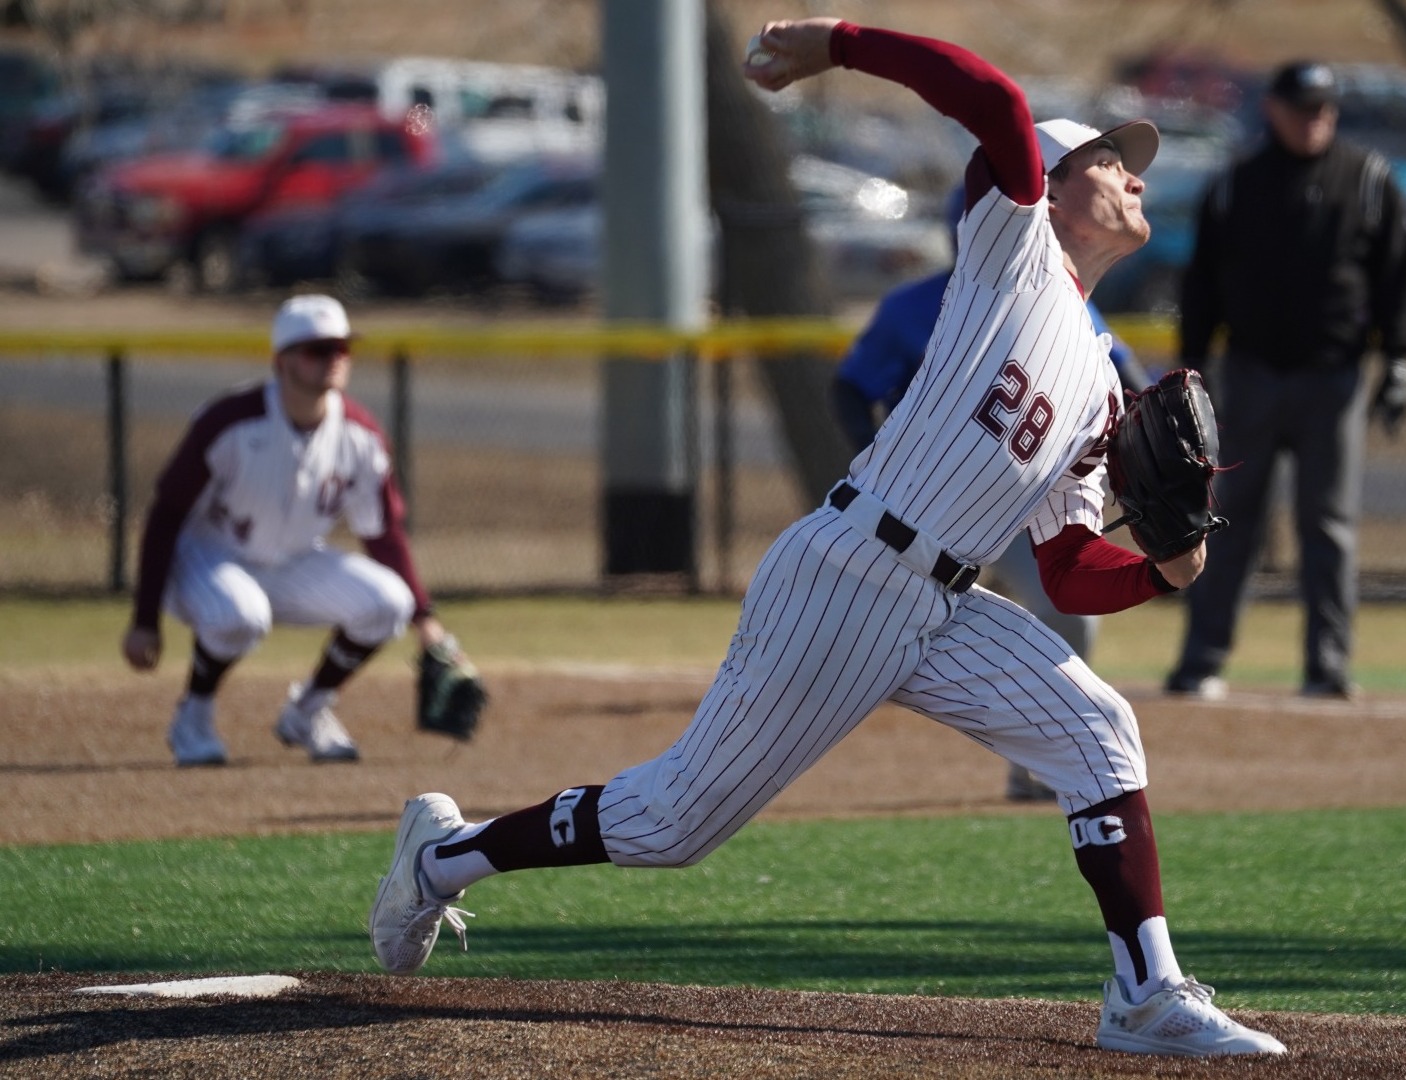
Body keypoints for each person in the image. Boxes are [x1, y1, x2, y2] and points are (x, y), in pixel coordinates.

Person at [367, 17, 1285, 1059]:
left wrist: (1166, 570)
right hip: (847, 574)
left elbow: (1069, 567)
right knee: (671, 826)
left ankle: (1145, 993)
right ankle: (442, 858)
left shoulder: (1103, 382)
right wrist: (837, 43)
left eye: (1131, 164)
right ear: (1058, 184)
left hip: (942, 605)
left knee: (1099, 732)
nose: (1132, 175)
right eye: (1108, 159)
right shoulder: (1010, 246)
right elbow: (988, 96)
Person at [831, 186, 1153, 803]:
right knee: (882, 636)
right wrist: (872, 455)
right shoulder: (913, 307)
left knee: (1072, 617)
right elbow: (849, 386)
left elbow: (1127, 380)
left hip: (1026, 504)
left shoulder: (1057, 302)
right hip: (934, 510)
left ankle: (1038, 761)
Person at [1164, 60, 1406, 702]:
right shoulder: (1236, 185)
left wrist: (1398, 359)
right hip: (1250, 375)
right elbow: (1201, 285)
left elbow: (1399, 276)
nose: (1316, 120)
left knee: (1329, 526)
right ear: (1274, 110)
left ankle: (1326, 666)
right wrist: (1191, 371)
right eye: (1304, 108)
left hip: (1331, 379)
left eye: (1325, 109)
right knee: (1227, 522)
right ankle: (1203, 660)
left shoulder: (1366, 181)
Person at [121, 294, 464, 766]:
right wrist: (145, 620)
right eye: (316, 351)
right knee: (239, 615)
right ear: (281, 361)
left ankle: (308, 711)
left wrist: (428, 625)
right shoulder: (230, 423)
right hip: (209, 556)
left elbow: (382, 533)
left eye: (341, 350)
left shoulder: (361, 435)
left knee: (390, 603)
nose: (332, 361)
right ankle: (194, 713)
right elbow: (166, 514)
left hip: (295, 559)